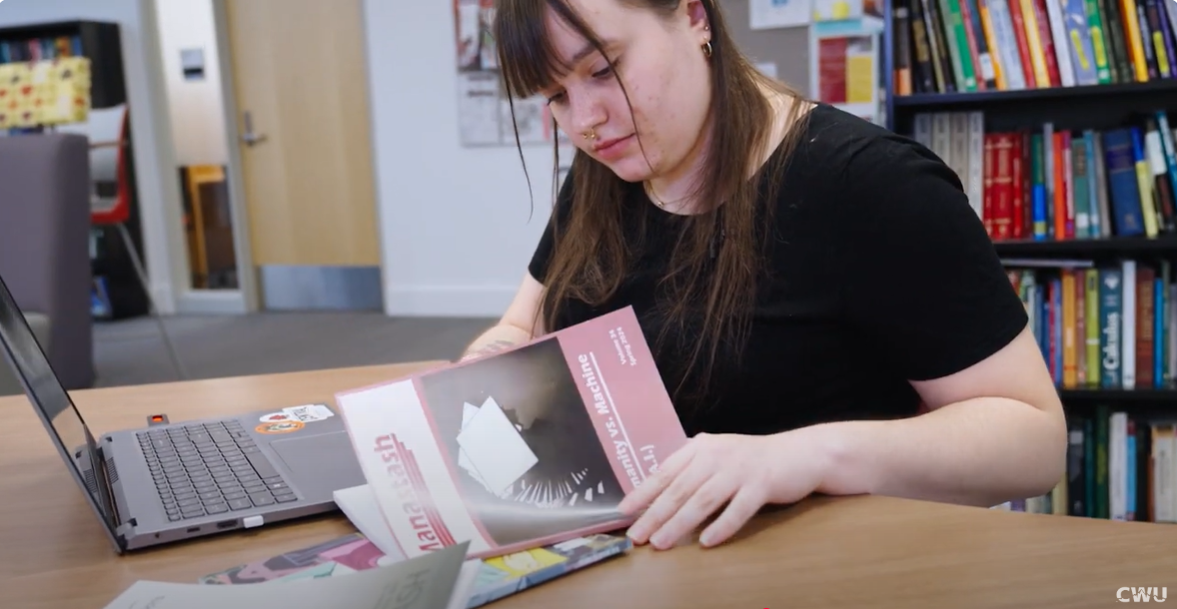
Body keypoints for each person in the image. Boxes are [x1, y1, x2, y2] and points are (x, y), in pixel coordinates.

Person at [459, 0, 1067, 551]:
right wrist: (481, 373)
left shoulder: (870, 184)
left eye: (602, 69)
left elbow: (1033, 443)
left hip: (817, 571)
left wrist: (801, 457)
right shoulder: (609, 166)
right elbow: (525, 324)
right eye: (555, 97)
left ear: (694, 15)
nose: (586, 121)